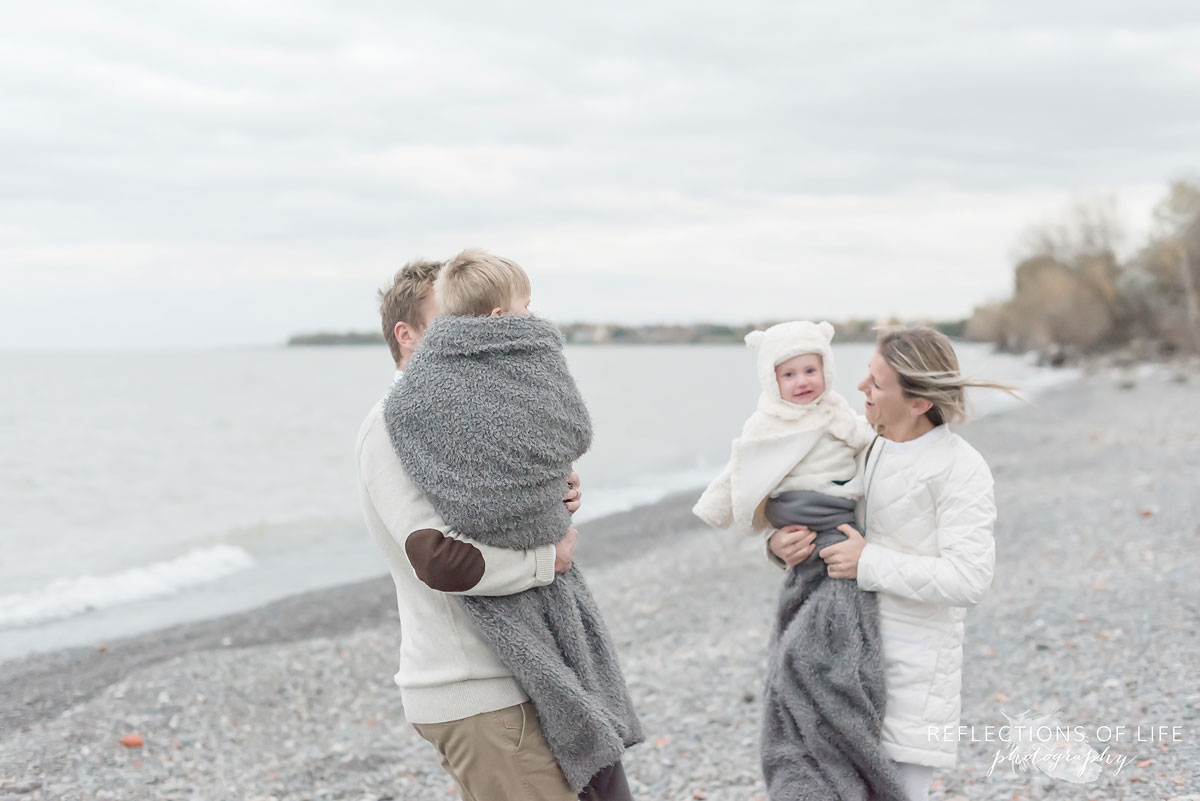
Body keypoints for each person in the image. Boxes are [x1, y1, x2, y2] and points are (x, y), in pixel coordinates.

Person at [382, 249, 641, 799]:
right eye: (447, 323)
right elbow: (437, 556)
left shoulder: (470, 406)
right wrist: (549, 555)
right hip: (475, 687)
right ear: (409, 336)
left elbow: (508, 477)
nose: (462, 338)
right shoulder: (392, 423)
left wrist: (555, 485)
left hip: (525, 675)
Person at [768, 326, 1009, 801]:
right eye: (866, 376)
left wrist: (868, 562)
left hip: (912, 680)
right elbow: (821, 517)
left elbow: (970, 579)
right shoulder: (865, 446)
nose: (861, 389)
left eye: (876, 384)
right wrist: (779, 546)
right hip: (840, 667)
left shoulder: (961, 469)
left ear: (919, 402)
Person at [692, 320, 908, 801]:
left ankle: (831, 751)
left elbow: (870, 447)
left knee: (816, 655)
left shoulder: (837, 412)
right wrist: (741, 523)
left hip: (836, 522)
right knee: (795, 654)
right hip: (798, 528)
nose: (803, 381)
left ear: (826, 369)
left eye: (811, 369)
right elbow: (740, 471)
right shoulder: (764, 423)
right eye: (789, 375)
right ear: (772, 381)